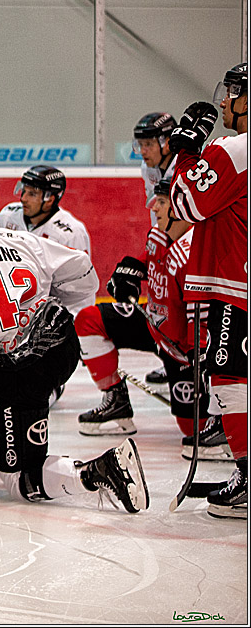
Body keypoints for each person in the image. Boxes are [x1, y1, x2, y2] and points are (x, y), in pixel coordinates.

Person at [0, 181, 149, 513]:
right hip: (60, 348)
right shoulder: (23, 239)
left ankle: (103, 470)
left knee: (18, 478)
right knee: (26, 439)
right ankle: (70, 455)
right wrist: (61, 309)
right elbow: (83, 270)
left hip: (19, 370)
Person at [74, 178, 217, 453]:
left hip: (183, 348)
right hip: (156, 326)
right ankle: (116, 400)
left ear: (181, 208)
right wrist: (132, 269)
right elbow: (148, 258)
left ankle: (225, 419)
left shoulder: (194, 254)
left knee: (195, 432)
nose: (156, 208)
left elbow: (203, 324)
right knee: (89, 320)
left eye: (162, 202)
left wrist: (198, 362)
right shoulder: (160, 233)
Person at [168, 62, 248, 520]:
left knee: (231, 380)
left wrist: (188, 153)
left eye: (233, 92)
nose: (222, 101)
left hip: (237, 288)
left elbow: (186, 202)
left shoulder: (237, 150)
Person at [133, 112, 178, 385]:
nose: (143, 151)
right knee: (159, 303)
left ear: (167, 141)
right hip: (162, 242)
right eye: (140, 144)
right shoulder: (147, 168)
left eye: (148, 144)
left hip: (186, 245)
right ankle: (168, 359)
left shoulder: (187, 167)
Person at [0, 165, 92, 254]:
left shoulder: (72, 234)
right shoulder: (7, 216)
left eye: (32, 194)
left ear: (50, 200)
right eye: (23, 191)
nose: (23, 199)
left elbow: (79, 274)